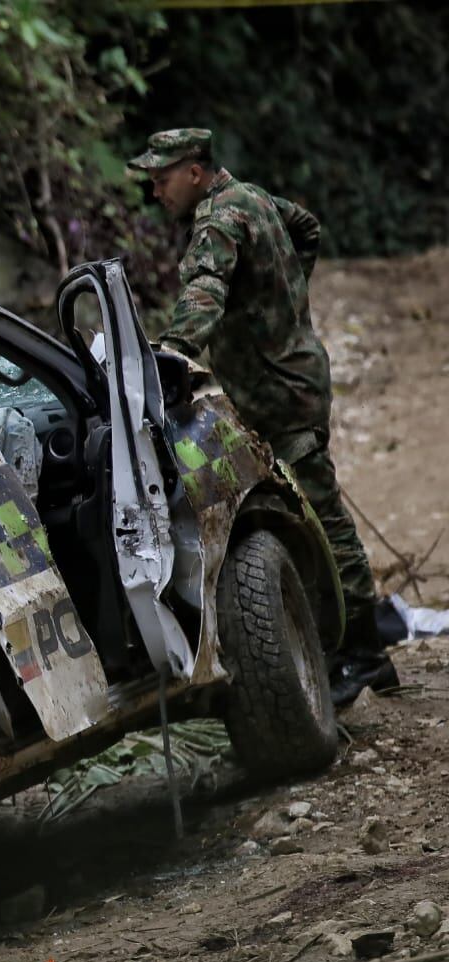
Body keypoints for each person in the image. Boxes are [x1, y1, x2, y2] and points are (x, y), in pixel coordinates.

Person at [128, 127, 397, 706]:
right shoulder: (250, 197)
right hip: (293, 378)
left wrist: (168, 360)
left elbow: (204, 292)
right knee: (313, 513)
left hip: (280, 393)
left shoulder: (217, 220)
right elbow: (307, 227)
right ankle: (351, 646)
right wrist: (281, 299)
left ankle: (367, 656)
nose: (156, 189)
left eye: (162, 177)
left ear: (194, 172)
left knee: (326, 522)